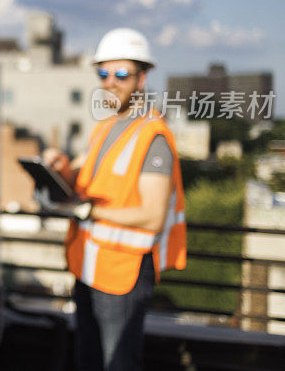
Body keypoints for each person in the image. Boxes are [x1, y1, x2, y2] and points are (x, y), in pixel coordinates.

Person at [42, 28, 186, 371]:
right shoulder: (105, 127)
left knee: (118, 363)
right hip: (89, 266)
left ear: (142, 77)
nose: (110, 81)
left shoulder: (154, 137)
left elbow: (151, 216)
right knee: (89, 361)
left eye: (121, 74)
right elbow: (81, 179)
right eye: (103, 73)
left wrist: (89, 210)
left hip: (123, 274)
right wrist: (58, 168)